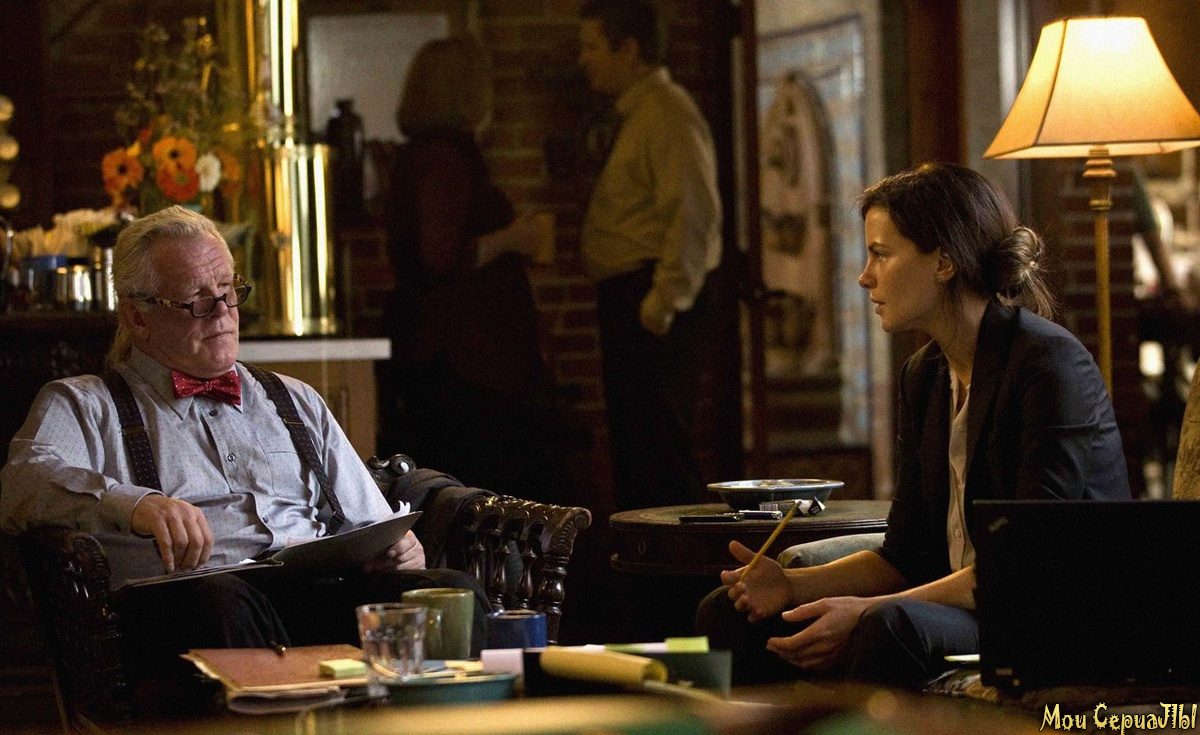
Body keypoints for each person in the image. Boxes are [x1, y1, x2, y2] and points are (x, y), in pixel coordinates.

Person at [0, 205, 487, 707]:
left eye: (228, 292)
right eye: (196, 301)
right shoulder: (84, 404)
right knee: (220, 604)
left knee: (451, 592)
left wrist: (397, 549)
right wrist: (134, 503)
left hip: (313, 594)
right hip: (192, 613)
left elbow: (372, 524)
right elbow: (20, 485)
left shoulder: (294, 399)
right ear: (137, 316)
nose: (222, 314)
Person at [696, 163, 1131, 689]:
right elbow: (904, 555)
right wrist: (790, 584)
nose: (865, 276)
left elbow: (1021, 564)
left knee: (887, 627)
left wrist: (862, 609)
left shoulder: (1049, 363)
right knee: (727, 614)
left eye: (881, 254)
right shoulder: (923, 375)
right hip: (960, 607)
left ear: (943, 262)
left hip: (1048, 614)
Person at [379, 35, 564, 500]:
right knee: (481, 488)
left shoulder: (425, 155)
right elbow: (440, 257)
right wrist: (512, 238)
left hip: (449, 356)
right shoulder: (444, 157)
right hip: (465, 362)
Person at [577, 0, 722, 511]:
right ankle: (648, 557)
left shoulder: (667, 113)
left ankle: (676, 560)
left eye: (593, 46)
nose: (584, 59)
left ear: (629, 49)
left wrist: (662, 303)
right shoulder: (642, 112)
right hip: (634, 294)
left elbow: (694, 214)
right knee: (638, 448)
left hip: (650, 298)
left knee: (659, 450)